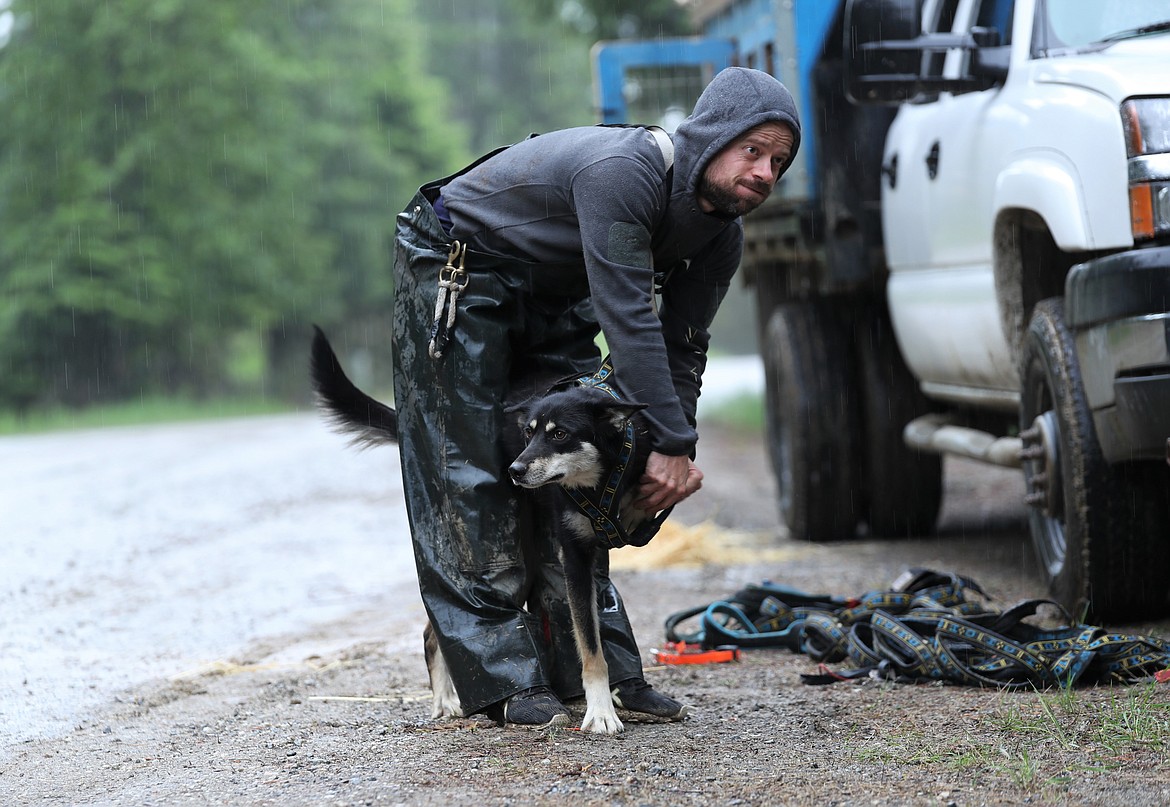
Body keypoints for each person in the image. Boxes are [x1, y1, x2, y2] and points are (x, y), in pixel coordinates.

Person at [391, 67, 801, 726]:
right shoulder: (625, 172)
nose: (765, 172)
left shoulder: (721, 235)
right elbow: (630, 322)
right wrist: (665, 438)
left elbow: (683, 348)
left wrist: (674, 451)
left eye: (779, 161)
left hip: (554, 288)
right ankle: (501, 675)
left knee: (585, 465)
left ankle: (599, 671)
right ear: (712, 137)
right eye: (752, 150)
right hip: (457, 262)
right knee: (468, 469)